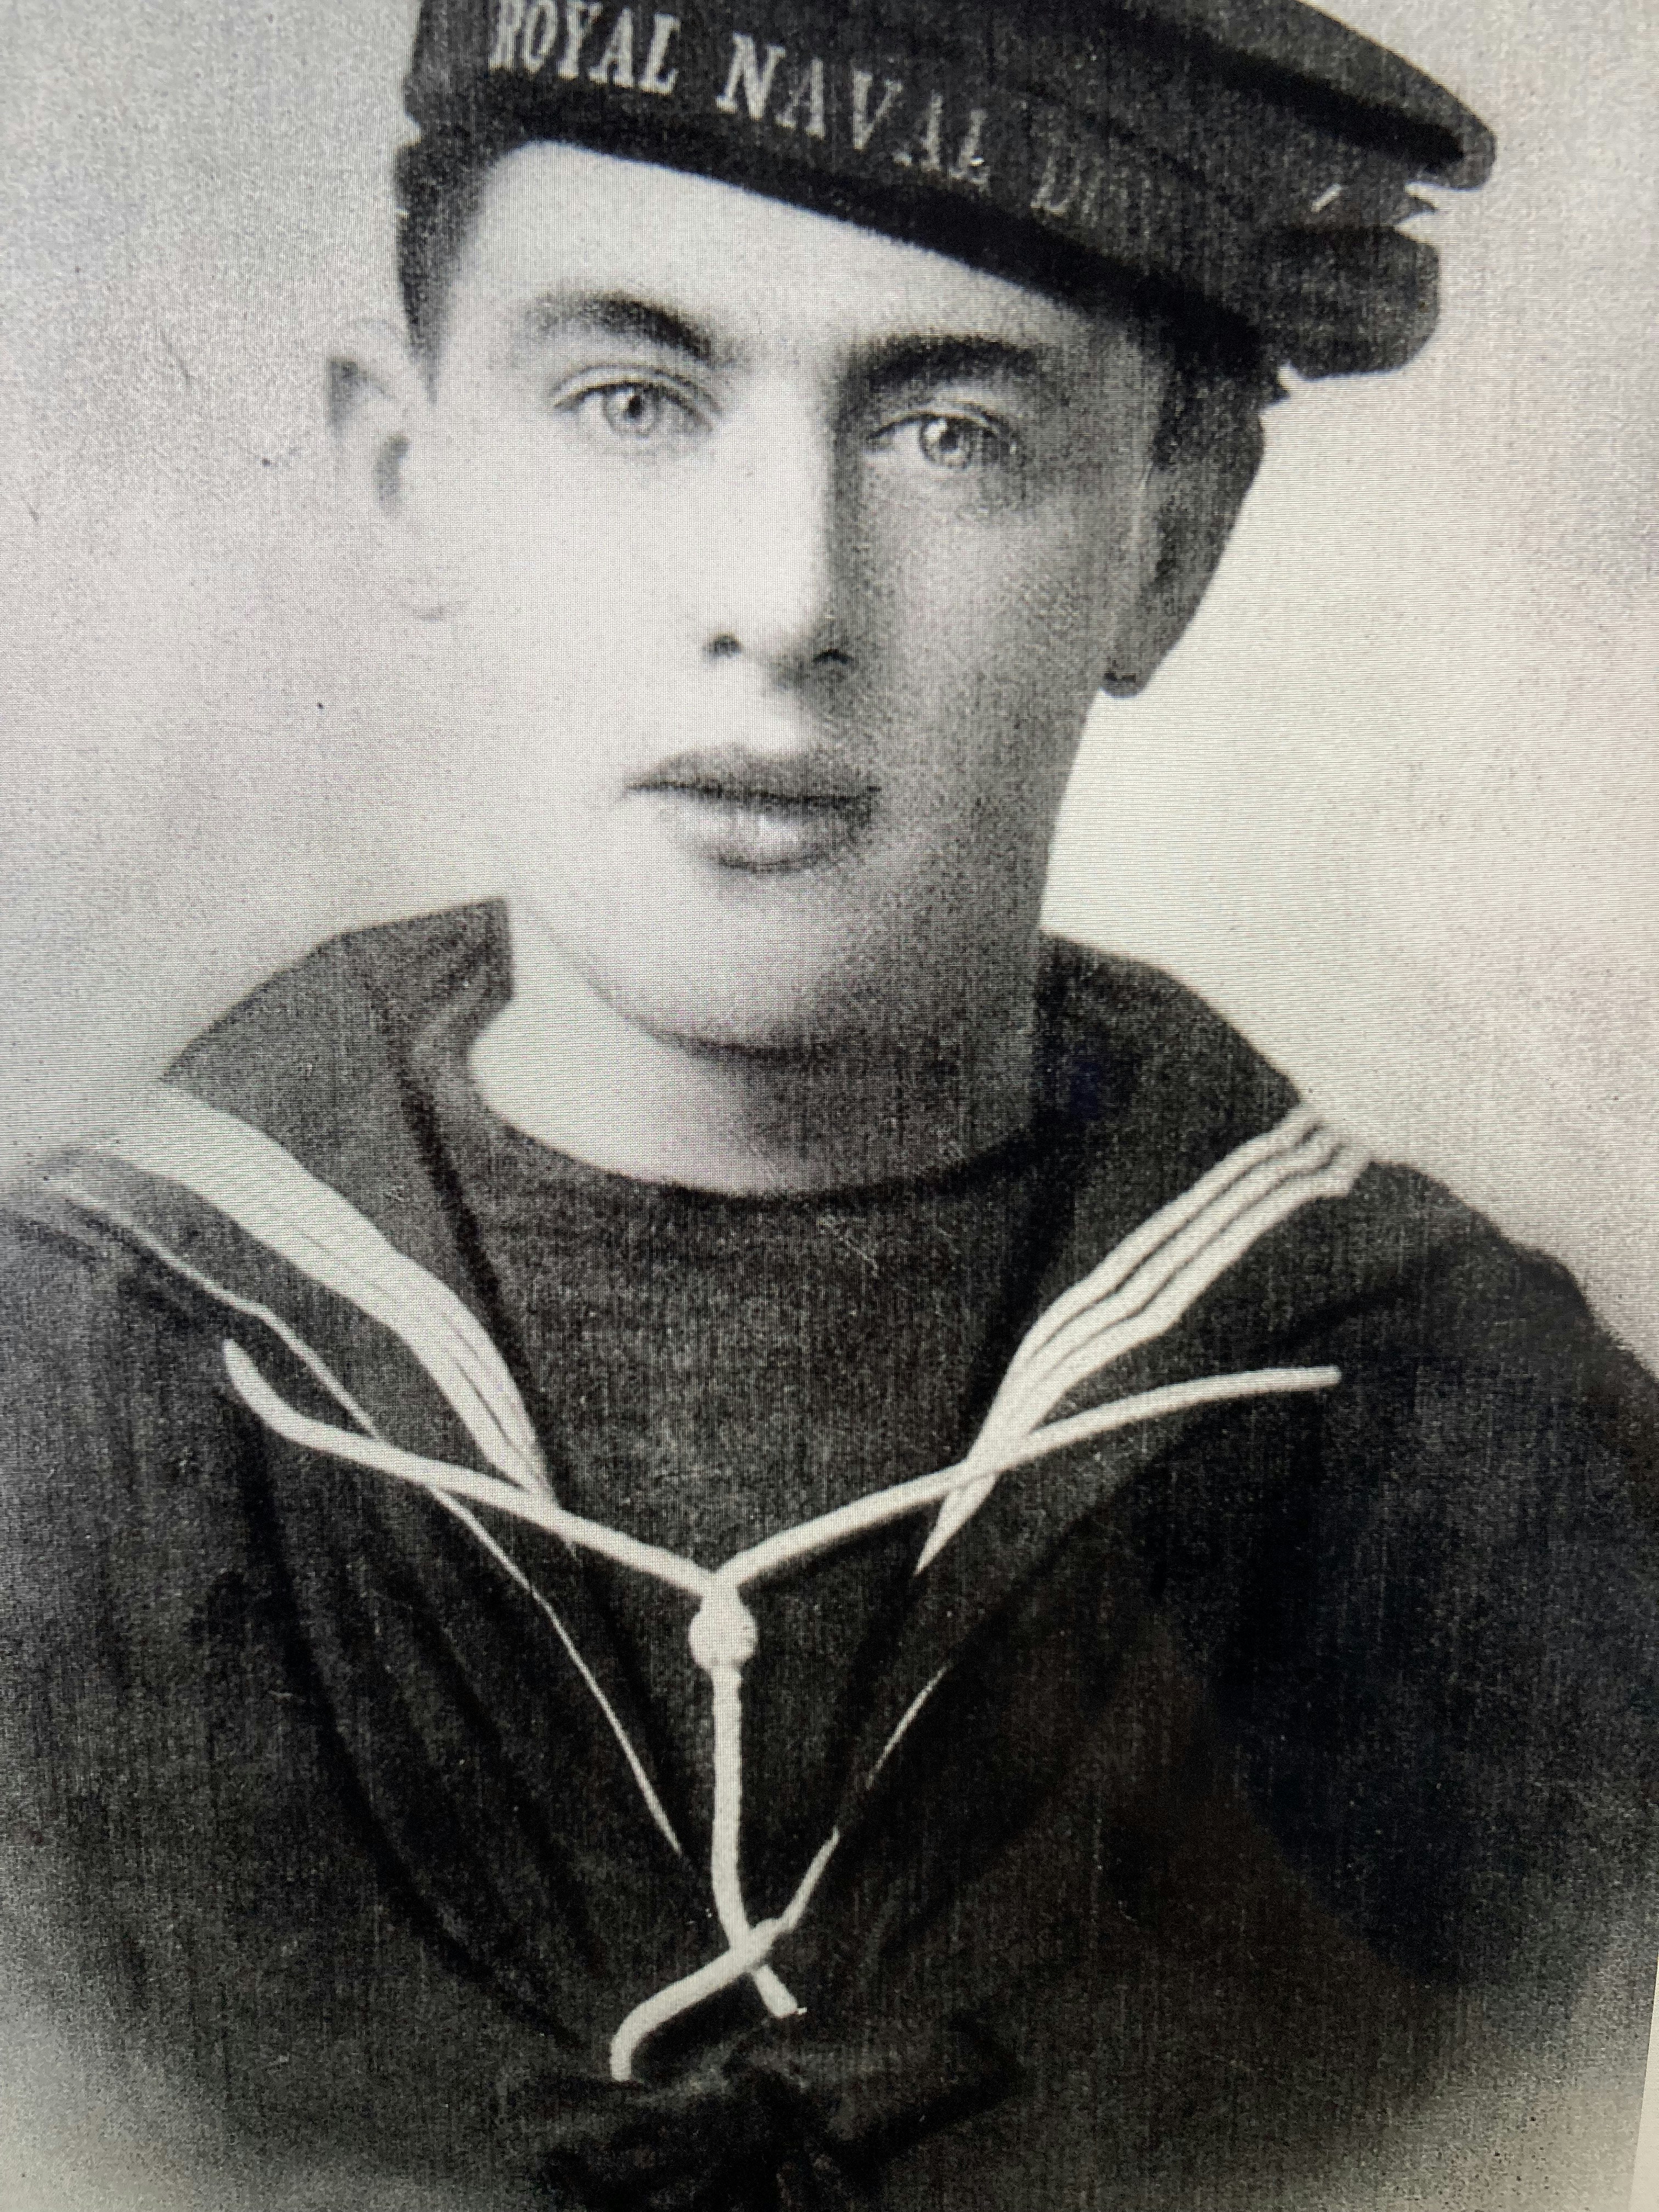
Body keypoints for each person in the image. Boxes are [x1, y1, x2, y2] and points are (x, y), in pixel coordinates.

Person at [2, 2, 1656, 2205]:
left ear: (1172, 552)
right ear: (410, 479)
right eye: (634, 400)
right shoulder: (54, 1427)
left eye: (952, 431)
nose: (783, 603)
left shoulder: (1503, 1478)